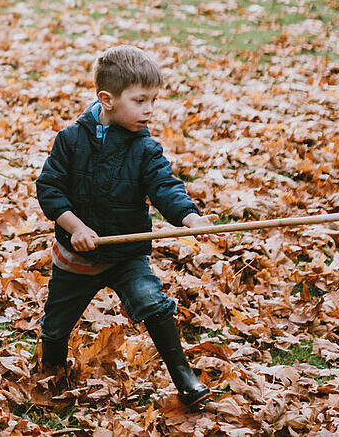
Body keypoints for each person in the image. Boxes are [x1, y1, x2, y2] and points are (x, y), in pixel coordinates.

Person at [35, 45, 214, 407]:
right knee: (55, 325)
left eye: (154, 100)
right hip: (76, 257)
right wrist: (76, 228)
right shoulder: (70, 141)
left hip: (125, 256)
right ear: (107, 99)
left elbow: (164, 185)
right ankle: (52, 368)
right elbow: (49, 189)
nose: (150, 110)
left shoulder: (144, 148)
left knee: (153, 302)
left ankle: (182, 374)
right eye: (140, 100)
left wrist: (189, 216)